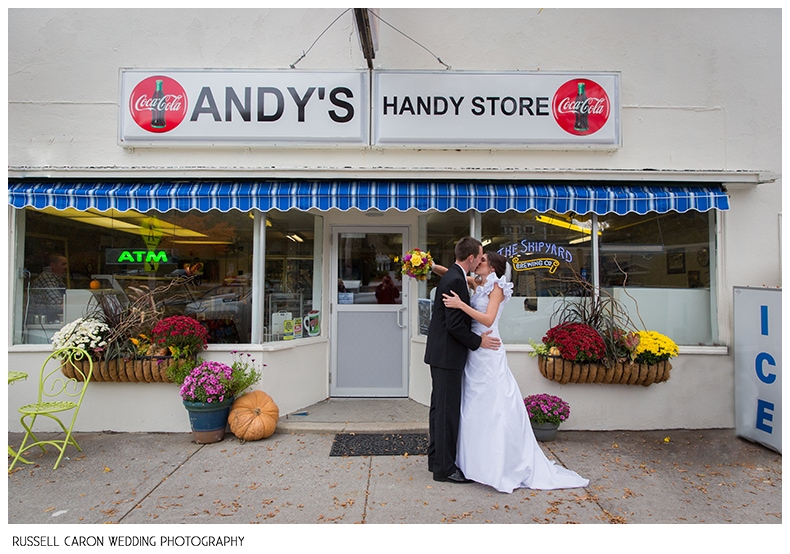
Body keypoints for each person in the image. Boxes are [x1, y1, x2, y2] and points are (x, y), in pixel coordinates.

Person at [441, 251, 589, 493]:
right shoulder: (479, 282)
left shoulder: (497, 287)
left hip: (488, 347)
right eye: (478, 260)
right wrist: (424, 264)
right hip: (475, 349)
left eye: (483, 261)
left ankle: (499, 463)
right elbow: (451, 272)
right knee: (473, 403)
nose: (478, 263)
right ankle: (474, 461)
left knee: (493, 403)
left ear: (493, 268)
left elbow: (488, 319)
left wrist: (460, 305)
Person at [423, 237, 501, 484]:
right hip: (448, 356)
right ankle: (444, 469)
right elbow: (455, 326)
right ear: (471, 258)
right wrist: (479, 343)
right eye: (479, 256)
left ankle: (436, 459)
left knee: (439, 409)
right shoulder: (456, 279)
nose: (480, 260)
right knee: (446, 412)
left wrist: (433, 266)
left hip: (442, 355)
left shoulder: (455, 275)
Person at [29, 253, 68, 323]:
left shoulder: (56, 279)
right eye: (63, 264)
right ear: (52, 265)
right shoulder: (47, 278)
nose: (66, 267)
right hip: (41, 322)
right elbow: (57, 304)